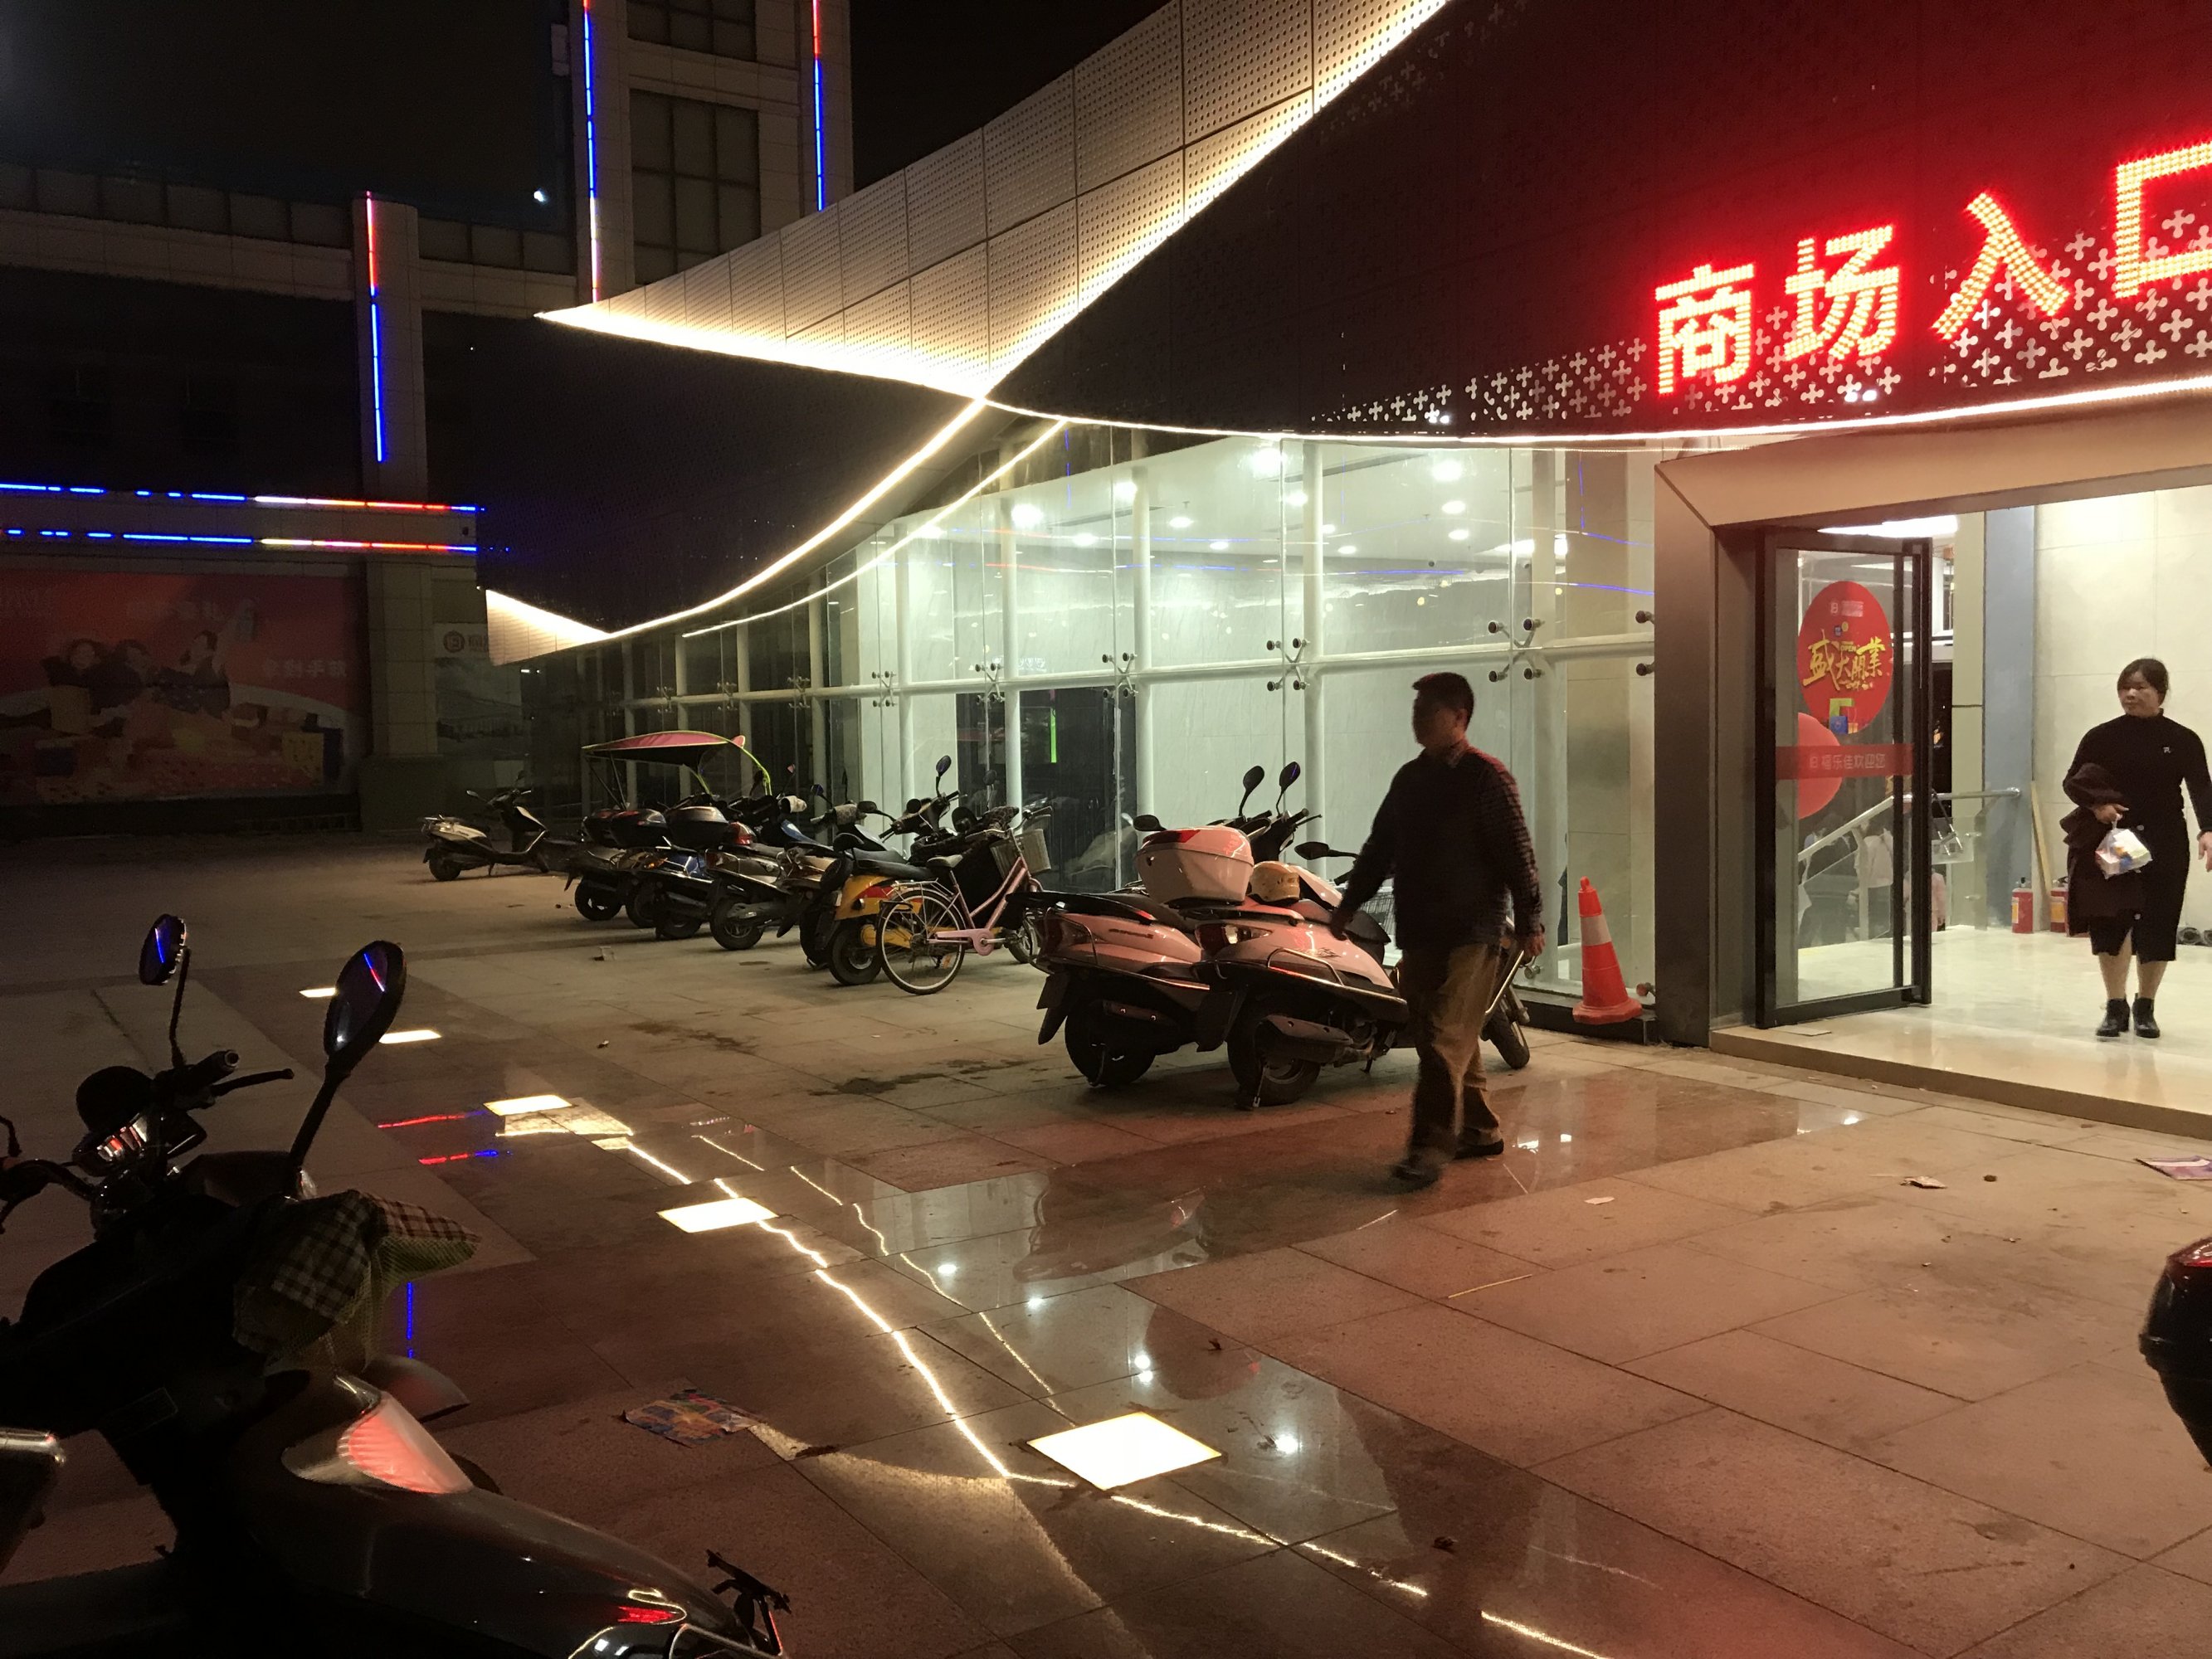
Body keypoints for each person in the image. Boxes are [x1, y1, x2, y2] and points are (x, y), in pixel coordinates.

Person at [1333, 672, 1544, 1187]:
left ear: (1460, 718)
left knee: (1446, 1036)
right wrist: (1348, 905)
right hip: (1421, 928)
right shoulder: (1410, 779)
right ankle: (1480, 1130)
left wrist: (1530, 920)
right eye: (1416, 710)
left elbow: (1517, 854)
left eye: (1429, 710)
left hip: (1474, 929)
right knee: (1438, 1036)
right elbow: (1379, 847)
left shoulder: (1486, 778)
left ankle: (1428, 1147)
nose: (1418, 719)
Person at [2063, 657, 2212, 1039]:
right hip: (2117, 839)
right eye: (2125, 687)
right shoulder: (2101, 736)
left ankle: (2146, 1005)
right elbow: (2072, 782)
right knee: (2111, 920)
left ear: (2160, 692)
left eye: (2140, 687)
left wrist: (2208, 830)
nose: (2130, 694)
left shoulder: (2183, 739)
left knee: (2159, 920)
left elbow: (2201, 787)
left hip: (2165, 840)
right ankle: (2115, 1005)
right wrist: (2097, 805)